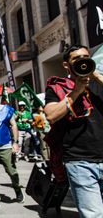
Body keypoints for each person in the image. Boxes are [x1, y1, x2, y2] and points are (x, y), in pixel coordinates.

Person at [44, 45, 103, 217]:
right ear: (66, 65)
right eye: (76, 59)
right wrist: (76, 90)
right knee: (94, 214)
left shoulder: (98, 82)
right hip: (80, 161)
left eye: (86, 57)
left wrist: (97, 76)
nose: (82, 61)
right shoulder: (58, 87)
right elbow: (52, 115)